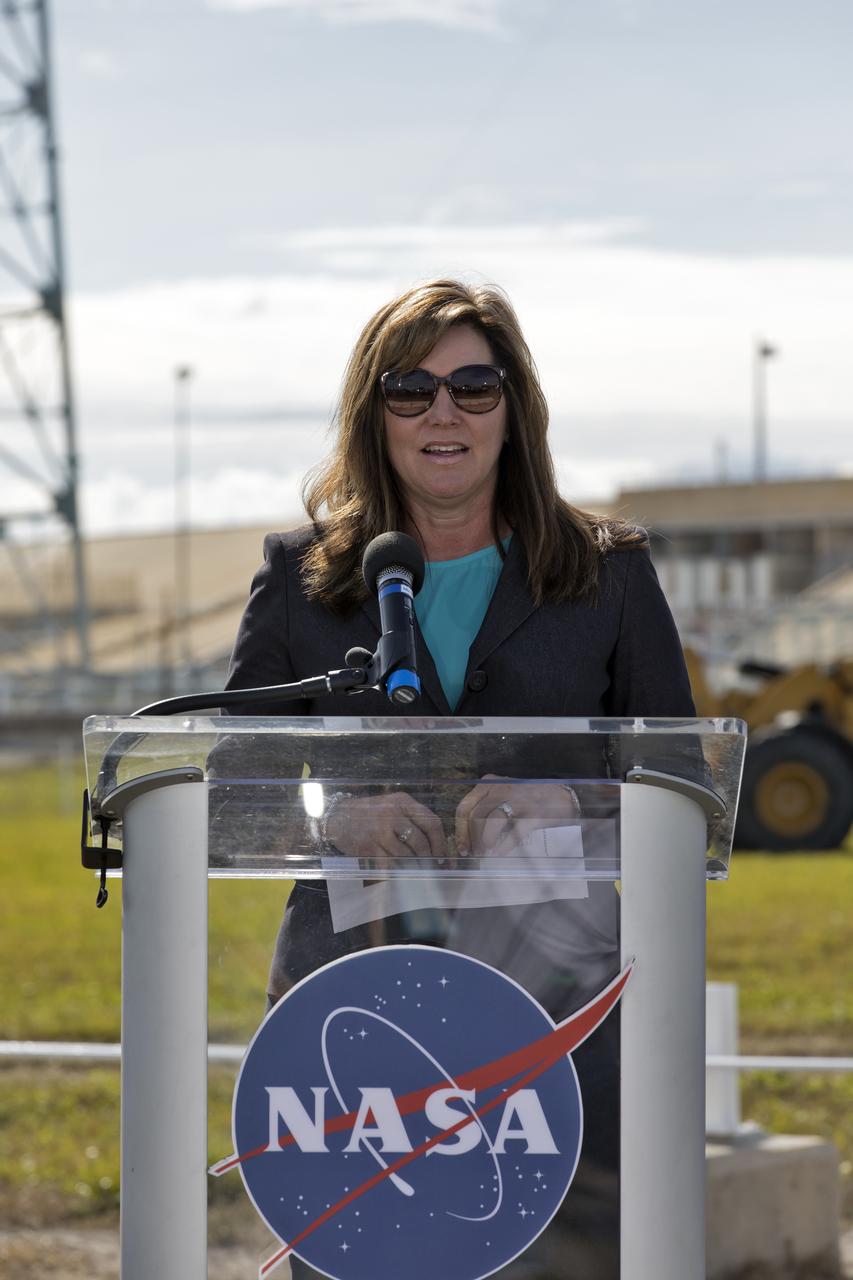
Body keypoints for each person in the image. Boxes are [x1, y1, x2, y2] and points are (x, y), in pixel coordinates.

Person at [218, 278, 695, 1279]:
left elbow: (682, 778)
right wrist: (334, 811)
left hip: (560, 1008)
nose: (445, 412)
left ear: (515, 406)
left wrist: (570, 798)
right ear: (371, 412)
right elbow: (234, 785)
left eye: (475, 385)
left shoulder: (610, 573)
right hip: (351, 1001)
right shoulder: (302, 575)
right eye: (411, 388)